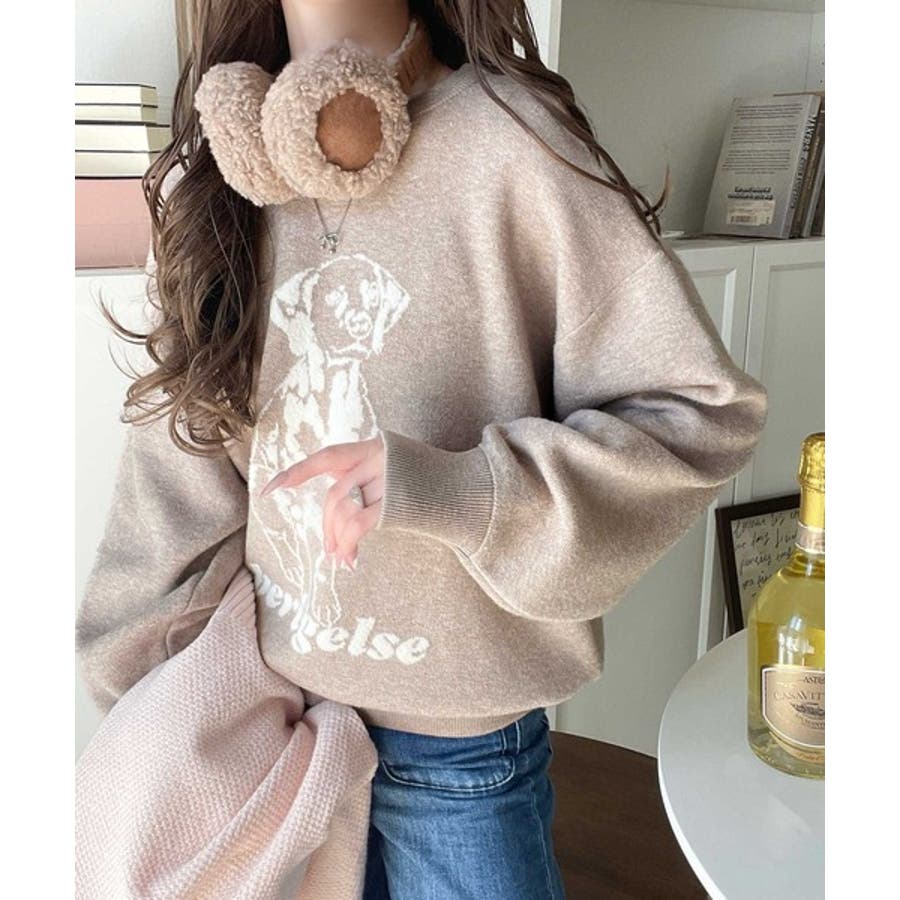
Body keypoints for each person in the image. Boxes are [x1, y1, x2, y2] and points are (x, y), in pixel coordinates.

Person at [75, 1, 769, 898]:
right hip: (268, 747)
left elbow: (696, 412)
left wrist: (459, 489)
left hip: (457, 761)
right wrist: (150, 699)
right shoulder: (222, 171)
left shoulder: (509, 144)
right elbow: (176, 472)